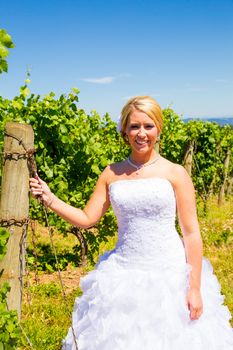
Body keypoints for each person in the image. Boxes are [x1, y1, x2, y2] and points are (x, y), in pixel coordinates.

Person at [30, 96, 233, 350]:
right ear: (124, 131)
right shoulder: (111, 173)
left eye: (148, 126)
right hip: (122, 274)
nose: (141, 133)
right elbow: (87, 218)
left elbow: (191, 234)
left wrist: (194, 289)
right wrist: (51, 199)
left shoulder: (175, 173)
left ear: (158, 129)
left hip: (169, 276)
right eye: (134, 126)